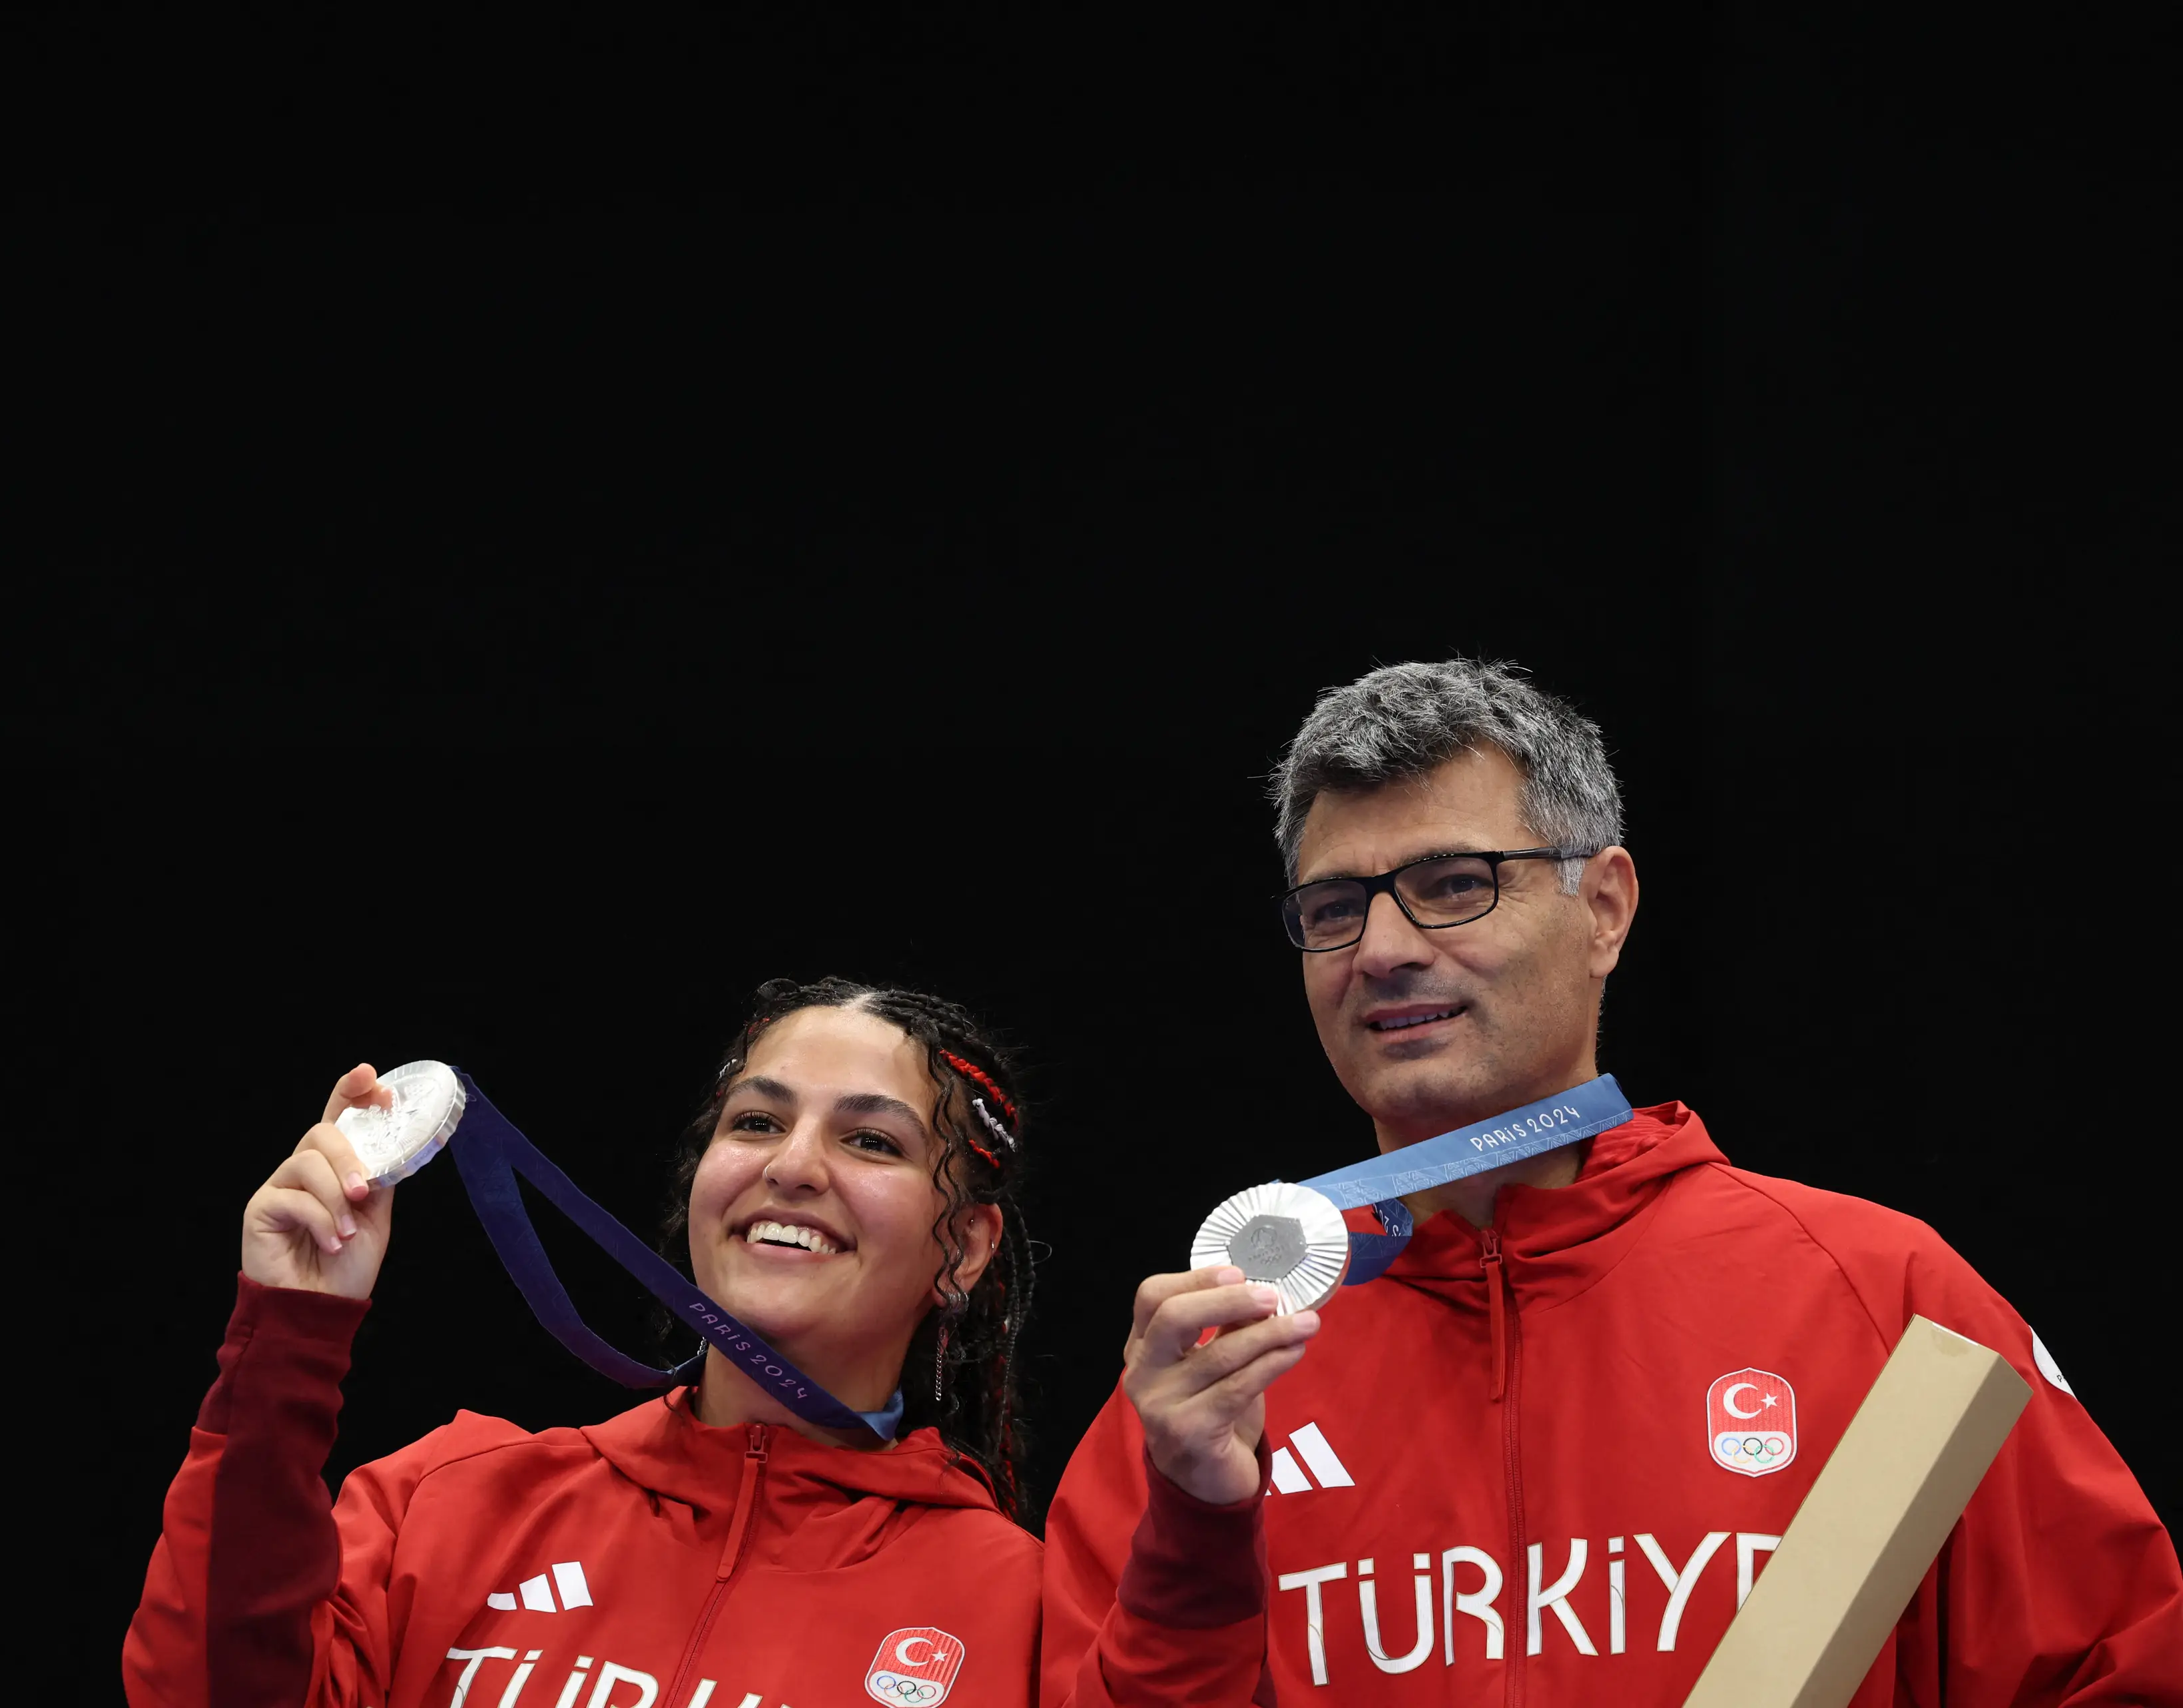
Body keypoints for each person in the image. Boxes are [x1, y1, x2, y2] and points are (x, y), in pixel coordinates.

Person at [1040, 660, 2181, 1706]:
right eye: (1336, 909)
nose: (1381, 948)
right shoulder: (1203, 1388)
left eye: (1454, 883)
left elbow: (2119, 1670)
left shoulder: (1880, 1299)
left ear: (1605, 909)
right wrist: (1195, 1527)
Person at [125, 977, 1044, 1708]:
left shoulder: (1020, 1612)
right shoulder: (452, 1504)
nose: (792, 1165)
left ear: (961, 1251)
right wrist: (289, 1335)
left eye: (871, 1141)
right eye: (756, 1122)